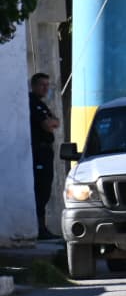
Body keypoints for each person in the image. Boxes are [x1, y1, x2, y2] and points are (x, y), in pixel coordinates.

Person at [29, 72, 61, 240]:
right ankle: (40, 228)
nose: (46, 88)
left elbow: (56, 121)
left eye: (47, 85)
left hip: (46, 151)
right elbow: (48, 123)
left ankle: (42, 226)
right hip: (39, 152)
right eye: (42, 84)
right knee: (40, 190)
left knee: (45, 189)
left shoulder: (41, 104)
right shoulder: (32, 103)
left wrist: (51, 122)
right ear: (34, 85)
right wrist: (50, 122)